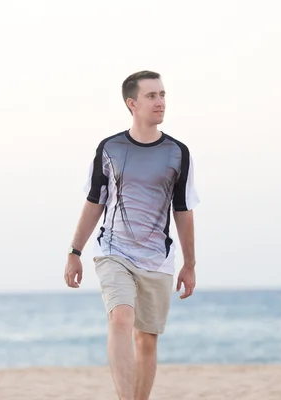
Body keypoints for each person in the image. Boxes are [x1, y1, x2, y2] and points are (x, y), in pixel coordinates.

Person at [64, 70, 200, 400]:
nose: (160, 102)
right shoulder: (109, 148)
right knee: (121, 318)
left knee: (147, 339)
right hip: (114, 251)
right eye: (152, 96)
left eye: (163, 94)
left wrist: (190, 264)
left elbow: (183, 210)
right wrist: (75, 251)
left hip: (157, 258)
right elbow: (95, 202)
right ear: (132, 103)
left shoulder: (178, 152)